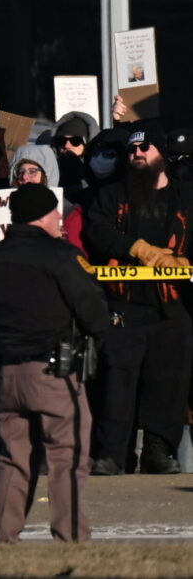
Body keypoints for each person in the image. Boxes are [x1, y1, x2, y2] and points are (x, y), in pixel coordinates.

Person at [0, 184, 110, 544]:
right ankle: (72, 541)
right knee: (68, 458)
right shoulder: (60, 256)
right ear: (46, 214)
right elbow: (93, 309)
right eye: (55, 213)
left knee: (12, 460)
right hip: (53, 374)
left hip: (6, 373)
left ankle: (2, 540)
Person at [86, 122, 193, 475]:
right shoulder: (112, 193)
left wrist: (184, 262)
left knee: (168, 383)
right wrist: (136, 247)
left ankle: (159, 451)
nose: (137, 155)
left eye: (144, 149)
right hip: (123, 306)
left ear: (161, 153)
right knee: (117, 383)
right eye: (132, 150)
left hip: (172, 307)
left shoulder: (185, 195)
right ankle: (113, 455)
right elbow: (97, 231)